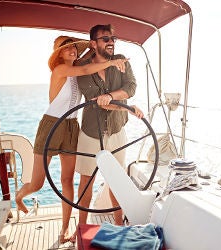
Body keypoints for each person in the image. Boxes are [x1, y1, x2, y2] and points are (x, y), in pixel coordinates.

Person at [15, 35, 129, 244]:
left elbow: (89, 59)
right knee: (38, 184)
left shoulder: (77, 67)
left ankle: (64, 230)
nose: (73, 50)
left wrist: (103, 43)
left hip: (71, 126)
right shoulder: (60, 70)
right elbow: (86, 70)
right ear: (58, 53)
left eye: (75, 47)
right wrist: (113, 61)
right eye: (66, 48)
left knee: (67, 180)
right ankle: (19, 196)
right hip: (51, 125)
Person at [75, 24, 142, 229]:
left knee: (117, 180)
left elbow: (130, 87)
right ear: (93, 44)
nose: (111, 42)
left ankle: (119, 226)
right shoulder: (82, 67)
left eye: (113, 38)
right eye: (105, 39)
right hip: (91, 133)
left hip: (116, 131)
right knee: (87, 182)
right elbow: (96, 100)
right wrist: (126, 107)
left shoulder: (121, 60)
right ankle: (81, 228)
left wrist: (112, 96)